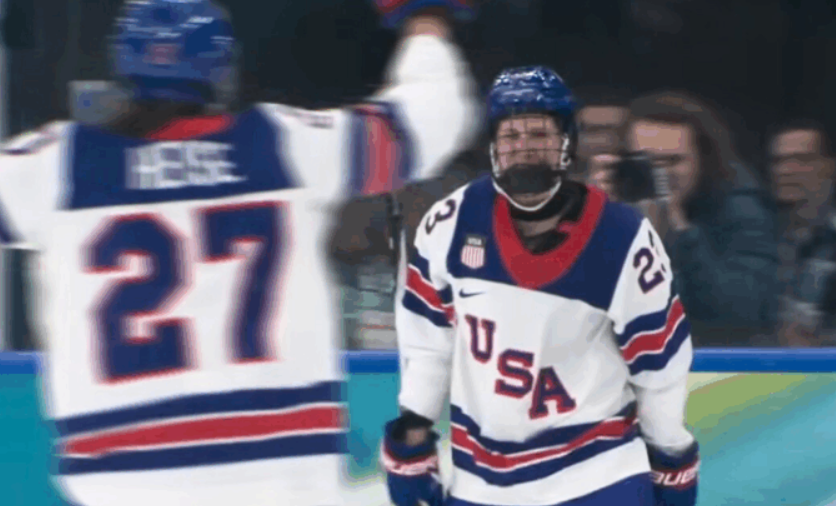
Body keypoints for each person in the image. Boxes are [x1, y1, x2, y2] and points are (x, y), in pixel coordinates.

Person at [0, 0, 479, 505]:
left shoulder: (59, 167)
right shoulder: (276, 146)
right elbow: (430, 118)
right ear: (221, 69)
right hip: (284, 478)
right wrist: (425, 22)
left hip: (120, 483)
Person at [379, 67, 698, 506]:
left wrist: (670, 451)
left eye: (539, 134)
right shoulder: (450, 222)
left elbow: (659, 364)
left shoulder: (623, 237)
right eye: (511, 135)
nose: (524, 147)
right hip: (483, 484)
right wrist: (413, 431)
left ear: (566, 141)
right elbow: (427, 341)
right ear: (493, 146)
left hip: (596, 477)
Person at [626, 91, 778, 346]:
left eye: (673, 161)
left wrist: (681, 230)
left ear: (702, 161)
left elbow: (742, 313)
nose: (659, 174)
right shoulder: (607, 209)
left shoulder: (741, 209)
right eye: (646, 162)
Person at [765, 120, 836, 346]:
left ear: (830, 166)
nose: (786, 170)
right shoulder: (760, 238)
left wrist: (819, 342)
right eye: (779, 161)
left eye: (802, 160)